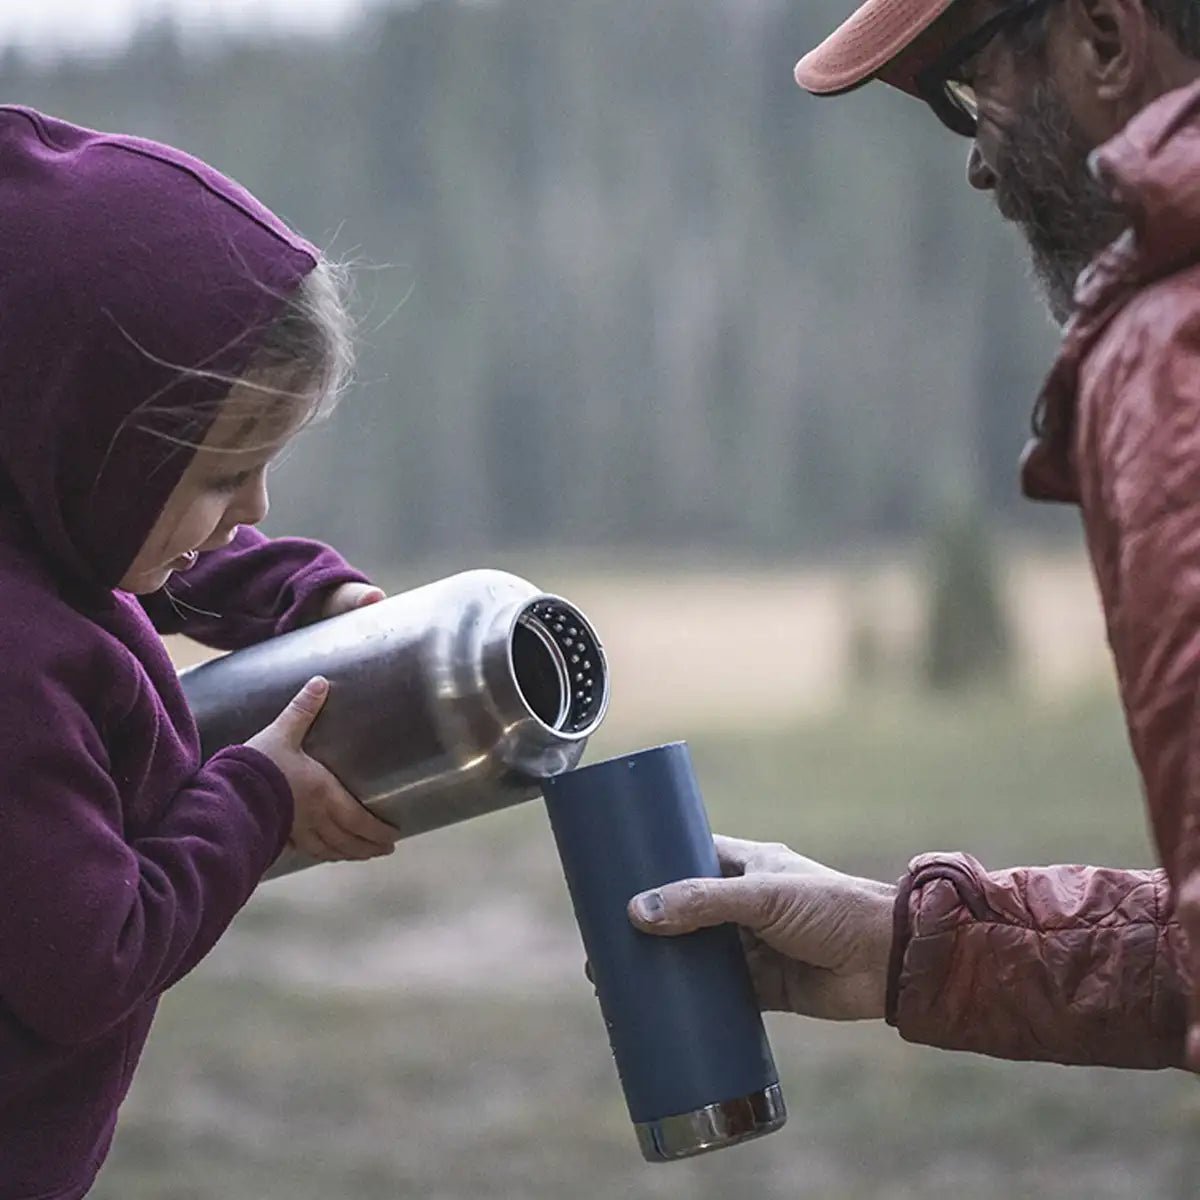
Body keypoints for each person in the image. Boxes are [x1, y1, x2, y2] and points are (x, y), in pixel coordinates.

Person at [630, 0, 1200, 1071]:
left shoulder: (1176, 344)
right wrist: (915, 947)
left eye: (972, 90)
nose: (980, 165)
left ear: (1107, 41)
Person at [0, 106, 398, 1196]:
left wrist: (306, 590)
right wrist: (255, 795)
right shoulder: (15, 679)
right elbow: (98, 959)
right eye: (223, 475)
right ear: (82, 437)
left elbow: (142, 551)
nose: (255, 504)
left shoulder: (43, 527)